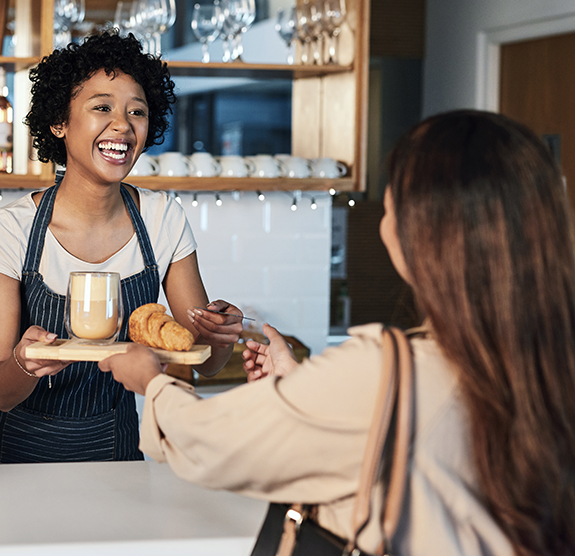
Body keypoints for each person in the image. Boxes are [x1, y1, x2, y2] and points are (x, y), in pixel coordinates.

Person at [99, 110, 575, 555]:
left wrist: (151, 382)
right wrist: (296, 382)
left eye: (392, 207)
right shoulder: (548, 361)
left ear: (425, 236)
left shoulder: (384, 369)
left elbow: (213, 442)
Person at [0, 31, 244, 464]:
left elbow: (201, 361)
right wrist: (25, 362)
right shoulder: (8, 231)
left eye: (137, 111)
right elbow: (1, 392)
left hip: (114, 451)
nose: (123, 125)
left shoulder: (162, 219)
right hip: (12, 457)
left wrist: (220, 335)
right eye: (102, 108)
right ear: (59, 121)